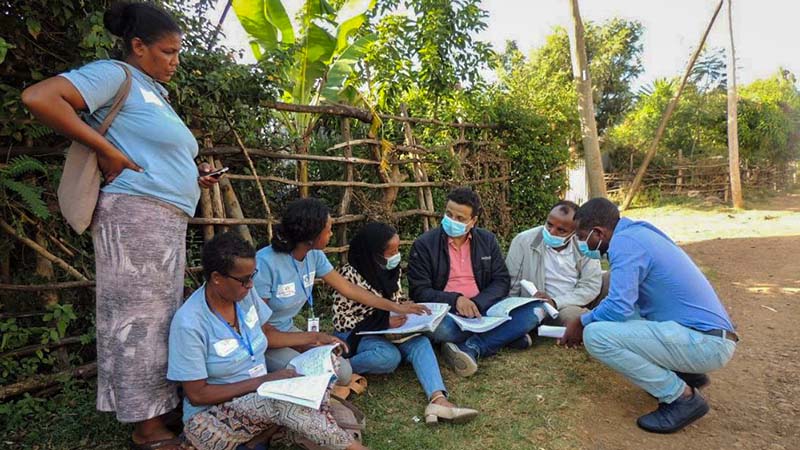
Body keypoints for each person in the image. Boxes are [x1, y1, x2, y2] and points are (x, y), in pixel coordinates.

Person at [22, 3, 220, 448]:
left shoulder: (156, 93)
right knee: (138, 322)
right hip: (134, 217)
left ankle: (155, 409)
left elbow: (156, 153)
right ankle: (146, 429)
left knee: (159, 319)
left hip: (163, 218)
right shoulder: (114, 75)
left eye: (177, 52)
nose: (175, 61)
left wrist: (194, 176)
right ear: (137, 46)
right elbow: (39, 97)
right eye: (167, 51)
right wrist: (106, 151)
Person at [167, 232, 367, 450]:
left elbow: (267, 334)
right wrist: (262, 382)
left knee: (330, 364)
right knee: (281, 403)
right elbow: (197, 395)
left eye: (253, 275)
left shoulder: (243, 296)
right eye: (244, 279)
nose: (252, 285)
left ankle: (274, 432)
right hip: (213, 415)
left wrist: (314, 344)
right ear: (216, 278)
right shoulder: (189, 323)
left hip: (261, 397)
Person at [561, 198, 738, 434]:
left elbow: (617, 306)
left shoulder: (624, 244)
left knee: (596, 336)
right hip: (708, 336)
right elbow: (626, 306)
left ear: (599, 232)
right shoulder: (637, 233)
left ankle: (681, 398)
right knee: (626, 317)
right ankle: (685, 372)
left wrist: (581, 323)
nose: (581, 243)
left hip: (706, 343)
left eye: (582, 237)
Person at [253, 198, 428, 376]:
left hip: (288, 330)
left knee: (342, 371)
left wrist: (396, 307)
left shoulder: (314, 256)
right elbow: (263, 331)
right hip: (263, 339)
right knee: (314, 371)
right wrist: (314, 337)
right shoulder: (265, 263)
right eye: (328, 230)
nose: (331, 234)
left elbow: (349, 289)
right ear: (311, 237)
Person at [331, 223, 478, 425]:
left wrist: (408, 309)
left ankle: (438, 400)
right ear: (373, 253)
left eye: (397, 250)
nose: (396, 256)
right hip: (358, 335)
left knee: (420, 343)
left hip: (389, 330)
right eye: (391, 252)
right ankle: (339, 370)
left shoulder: (389, 270)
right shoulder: (349, 275)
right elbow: (342, 320)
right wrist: (385, 321)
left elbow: (394, 300)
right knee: (389, 357)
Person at [407, 188, 541, 377]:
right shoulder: (424, 244)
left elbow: (501, 280)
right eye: (449, 214)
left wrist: (477, 303)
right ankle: (504, 336)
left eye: (460, 218)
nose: (452, 221)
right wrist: (456, 300)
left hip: (483, 308)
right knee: (441, 329)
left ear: (473, 221)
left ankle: (472, 346)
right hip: (448, 313)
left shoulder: (487, 240)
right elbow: (419, 291)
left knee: (534, 312)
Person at [506, 200, 603, 325]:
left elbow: (590, 286)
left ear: (574, 232)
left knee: (610, 279)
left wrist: (556, 301)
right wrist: (509, 309)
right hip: (541, 305)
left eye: (561, 230)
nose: (552, 232)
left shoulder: (584, 245)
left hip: (571, 301)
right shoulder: (523, 241)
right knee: (574, 318)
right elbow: (512, 283)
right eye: (549, 225)